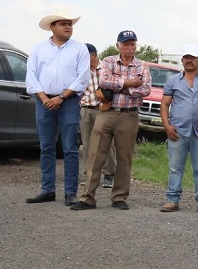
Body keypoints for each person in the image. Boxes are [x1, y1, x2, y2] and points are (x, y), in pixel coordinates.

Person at [71, 30, 152, 211]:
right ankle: (88, 197)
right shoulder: (108, 61)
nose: (130, 48)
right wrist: (130, 83)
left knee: (124, 157)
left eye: (133, 44)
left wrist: (120, 86)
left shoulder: (143, 65)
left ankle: (119, 197)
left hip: (129, 114)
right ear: (118, 45)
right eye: (126, 44)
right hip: (106, 113)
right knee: (95, 155)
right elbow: (105, 82)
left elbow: (145, 89)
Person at [24, 11, 90, 206]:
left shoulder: (80, 49)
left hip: (68, 102)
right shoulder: (38, 49)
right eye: (63, 24)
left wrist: (61, 97)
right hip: (44, 102)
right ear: (52, 27)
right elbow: (31, 76)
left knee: (70, 148)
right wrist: (45, 98)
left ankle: (70, 192)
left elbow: (83, 77)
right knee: (46, 147)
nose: (68, 27)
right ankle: (48, 190)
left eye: (70, 24)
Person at [159, 45, 198, 214]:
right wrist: (166, 125)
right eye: (186, 57)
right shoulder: (173, 81)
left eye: (193, 57)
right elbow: (164, 104)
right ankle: (172, 200)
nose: (189, 60)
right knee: (175, 168)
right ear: (182, 60)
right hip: (177, 130)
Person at [79, 43, 117, 189]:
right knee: (87, 144)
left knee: (107, 142)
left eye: (84, 56)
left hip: (104, 109)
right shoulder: (82, 71)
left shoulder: (106, 69)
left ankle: (109, 175)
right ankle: (89, 175)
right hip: (86, 109)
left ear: (93, 55)